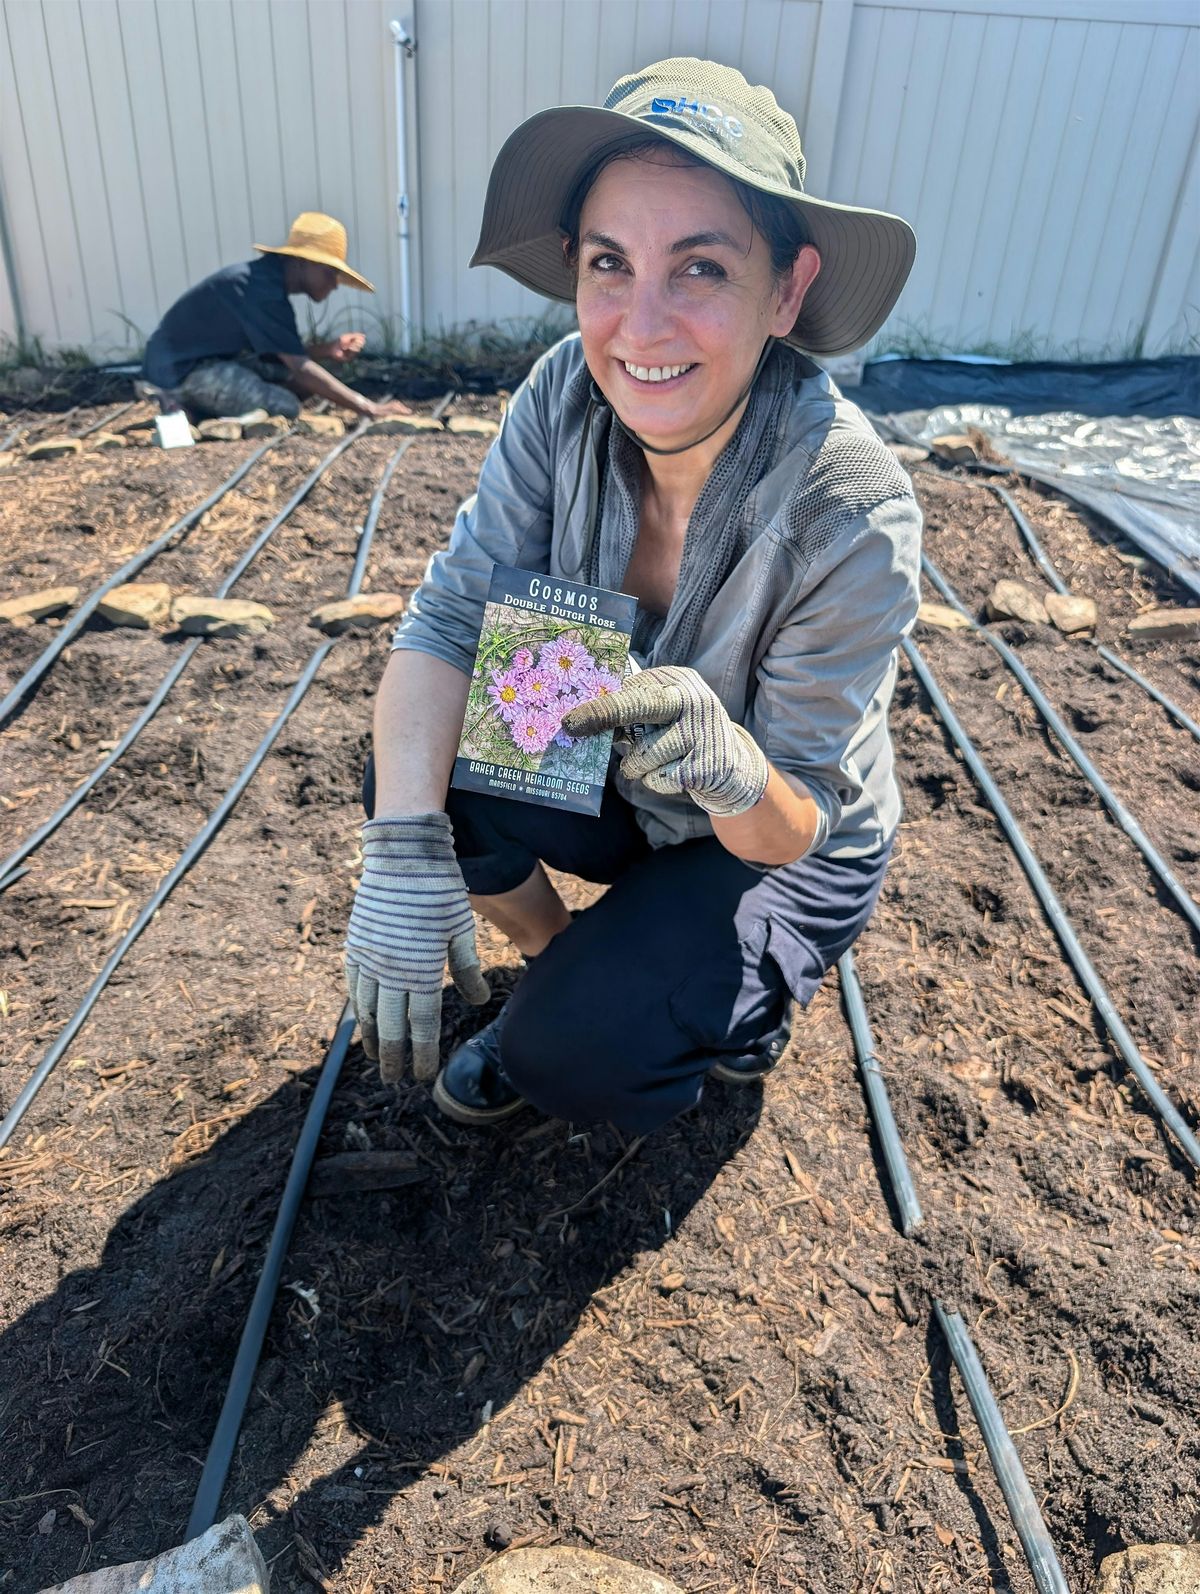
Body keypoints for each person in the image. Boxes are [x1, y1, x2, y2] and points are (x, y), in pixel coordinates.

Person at [344, 58, 921, 1134]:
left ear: (787, 290)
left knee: (580, 1059)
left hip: (775, 830)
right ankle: (564, 957)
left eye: (699, 268)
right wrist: (404, 845)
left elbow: (795, 817)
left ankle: (723, 1013)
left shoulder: (849, 508)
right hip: (606, 748)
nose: (640, 328)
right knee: (406, 766)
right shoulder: (565, 391)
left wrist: (732, 765)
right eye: (612, 263)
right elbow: (449, 623)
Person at [141, 212, 410, 422]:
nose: (335, 284)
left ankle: (200, 405)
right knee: (286, 405)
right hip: (180, 373)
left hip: (210, 361)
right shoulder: (260, 291)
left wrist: (328, 349)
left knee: (293, 384)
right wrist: (369, 407)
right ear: (304, 262)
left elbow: (281, 357)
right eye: (330, 272)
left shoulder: (265, 284)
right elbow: (299, 367)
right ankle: (180, 404)